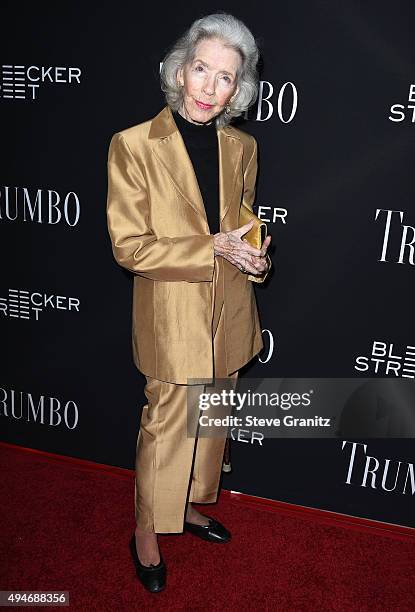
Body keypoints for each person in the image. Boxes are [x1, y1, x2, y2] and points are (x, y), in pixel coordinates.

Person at [106, 12, 272, 593]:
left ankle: (190, 507)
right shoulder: (132, 145)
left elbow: (244, 222)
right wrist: (213, 247)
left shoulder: (243, 146)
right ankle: (147, 530)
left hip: (229, 313)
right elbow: (130, 246)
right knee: (168, 429)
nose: (209, 86)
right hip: (173, 316)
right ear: (179, 71)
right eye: (201, 68)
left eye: (225, 77)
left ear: (238, 88)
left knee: (211, 423)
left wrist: (255, 256)